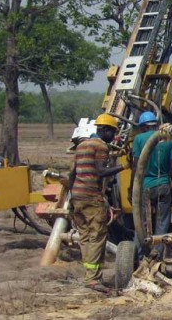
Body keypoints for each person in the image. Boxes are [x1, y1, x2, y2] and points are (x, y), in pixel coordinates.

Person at [69, 113, 122, 294]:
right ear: (105, 130)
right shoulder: (100, 146)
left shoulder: (81, 145)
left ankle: (89, 275)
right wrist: (124, 166)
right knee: (98, 236)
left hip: (77, 197)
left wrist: (71, 199)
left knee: (85, 237)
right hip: (91, 197)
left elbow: (72, 174)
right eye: (112, 132)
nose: (114, 136)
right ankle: (93, 279)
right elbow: (100, 172)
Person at [131, 111, 172, 257]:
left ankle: (140, 255)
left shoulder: (138, 139)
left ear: (143, 127)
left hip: (144, 186)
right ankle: (158, 253)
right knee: (162, 222)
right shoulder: (168, 139)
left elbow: (136, 165)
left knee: (143, 222)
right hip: (163, 186)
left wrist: (131, 188)